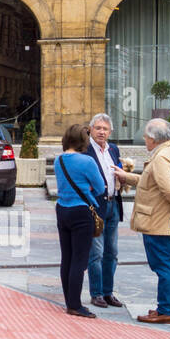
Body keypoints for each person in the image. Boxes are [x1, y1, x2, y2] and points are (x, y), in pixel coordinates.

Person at [115, 118, 170, 324]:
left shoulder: (161, 158)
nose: (144, 141)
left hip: (159, 219)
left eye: (145, 137)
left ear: (153, 139)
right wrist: (127, 176)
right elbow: (152, 182)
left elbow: (168, 188)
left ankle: (166, 310)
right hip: (169, 219)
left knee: (163, 265)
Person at [54, 123, 107, 318]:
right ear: (83, 141)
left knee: (66, 257)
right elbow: (101, 188)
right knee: (80, 259)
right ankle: (75, 305)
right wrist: (89, 189)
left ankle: (69, 300)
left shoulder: (58, 160)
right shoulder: (87, 162)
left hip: (62, 209)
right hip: (81, 212)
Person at [85, 112, 130, 309]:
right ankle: (96, 293)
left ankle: (108, 291)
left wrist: (123, 176)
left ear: (110, 131)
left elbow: (118, 170)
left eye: (105, 129)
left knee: (112, 252)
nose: (101, 132)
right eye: (98, 128)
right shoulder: (85, 150)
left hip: (113, 204)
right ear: (91, 129)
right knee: (96, 252)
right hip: (95, 206)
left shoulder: (113, 149)